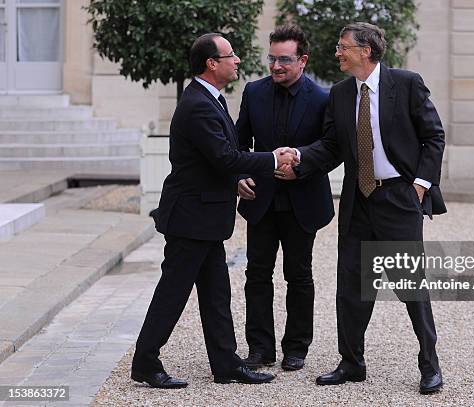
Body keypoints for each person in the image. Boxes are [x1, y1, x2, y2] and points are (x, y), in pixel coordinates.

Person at [130, 33, 299, 388]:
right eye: (231, 55)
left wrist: (234, 179)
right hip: (191, 218)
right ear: (212, 63)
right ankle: (145, 361)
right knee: (173, 293)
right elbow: (224, 156)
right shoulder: (198, 104)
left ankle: (226, 365)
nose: (237, 60)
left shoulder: (210, 99)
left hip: (204, 218)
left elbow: (215, 159)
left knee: (216, 294)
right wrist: (271, 159)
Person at [287, 22, 446, 394]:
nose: (338, 52)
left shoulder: (406, 84)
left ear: (367, 51)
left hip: (398, 199)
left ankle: (430, 365)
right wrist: (298, 158)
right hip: (358, 200)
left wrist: (420, 185)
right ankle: (352, 363)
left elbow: (433, 136)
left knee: (411, 287)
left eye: (344, 47)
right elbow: (330, 147)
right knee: (352, 287)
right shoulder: (340, 94)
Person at [235, 24, 335, 372]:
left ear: (303, 60)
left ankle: (297, 348)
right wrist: (239, 175)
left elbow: (331, 148)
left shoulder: (324, 98)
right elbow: (237, 143)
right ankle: (260, 349)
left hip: (303, 202)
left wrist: (301, 162)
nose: (275, 66)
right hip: (260, 200)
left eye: (284, 60)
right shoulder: (253, 92)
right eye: (272, 59)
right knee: (256, 276)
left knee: (299, 275)